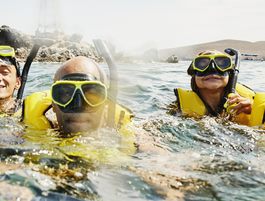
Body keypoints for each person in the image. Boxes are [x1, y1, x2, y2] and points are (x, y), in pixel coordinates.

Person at [21, 56, 166, 153]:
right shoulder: (25, 130)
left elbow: (158, 160)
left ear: (107, 104)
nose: (78, 105)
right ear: (53, 103)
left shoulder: (130, 131)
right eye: (65, 93)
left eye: (91, 94)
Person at [169, 49, 255, 124]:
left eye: (221, 64)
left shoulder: (249, 106)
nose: (212, 69)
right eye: (202, 64)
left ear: (230, 74)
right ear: (194, 75)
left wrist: (255, 111)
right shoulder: (177, 108)